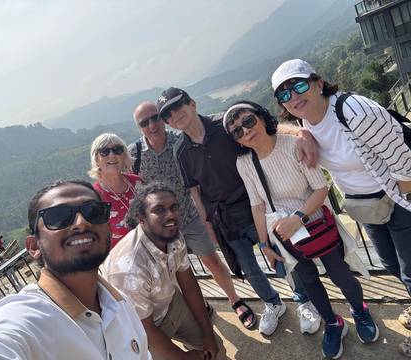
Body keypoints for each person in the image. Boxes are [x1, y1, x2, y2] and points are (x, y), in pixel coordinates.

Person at [272, 59, 411, 356]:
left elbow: (405, 162)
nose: (293, 97)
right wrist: (301, 133)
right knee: (390, 263)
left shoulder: (355, 112)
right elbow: (270, 129)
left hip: (399, 198)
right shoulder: (305, 120)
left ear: (319, 83)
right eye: (284, 94)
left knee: (410, 270)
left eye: (298, 85)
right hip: (367, 206)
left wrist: (406, 203)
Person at [223, 100, 378, 359]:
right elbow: (257, 205)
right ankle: (332, 323)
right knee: (309, 281)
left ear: (261, 117)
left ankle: (359, 310)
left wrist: (298, 217)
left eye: (248, 121)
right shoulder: (245, 164)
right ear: (236, 141)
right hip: (285, 234)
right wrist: (265, 245)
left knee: (340, 274)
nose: (246, 131)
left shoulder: (293, 145)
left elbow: (320, 188)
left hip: (315, 222)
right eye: (237, 131)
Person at [0, 180, 151, 360]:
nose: (81, 222)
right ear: (34, 247)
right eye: (58, 217)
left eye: (93, 211)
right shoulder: (30, 318)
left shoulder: (119, 303)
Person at [158, 87, 317, 336]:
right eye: (168, 114)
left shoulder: (224, 125)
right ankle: (273, 303)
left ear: (193, 104)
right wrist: (208, 224)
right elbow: (195, 191)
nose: (174, 115)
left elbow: (264, 133)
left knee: (281, 255)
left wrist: (300, 132)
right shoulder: (181, 151)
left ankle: (304, 301)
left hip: (255, 204)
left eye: (178, 106)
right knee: (249, 267)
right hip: (223, 218)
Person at [130, 101, 255, 329]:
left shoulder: (180, 140)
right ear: (139, 127)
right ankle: (200, 305)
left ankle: (234, 299)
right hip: (162, 228)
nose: (151, 125)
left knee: (212, 261)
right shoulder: (135, 154)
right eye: (144, 122)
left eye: (155, 117)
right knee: (176, 273)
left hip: (190, 216)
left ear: (163, 118)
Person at [102, 182, 225, 360]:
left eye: (173, 207)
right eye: (159, 210)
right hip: (140, 328)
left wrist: (208, 334)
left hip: (169, 303)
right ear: (141, 218)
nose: (170, 215)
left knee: (215, 350)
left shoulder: (173, 236)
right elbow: (145, 329)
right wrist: (183, 358)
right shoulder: (128, 270)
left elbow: (188, 283)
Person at [89, 133, 141, 248]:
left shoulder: (138, 183)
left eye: (117, 150)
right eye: (104, 151)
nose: (112, 155)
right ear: (96, 159)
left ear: (124, 155)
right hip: (118, 261)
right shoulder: (94, 197)